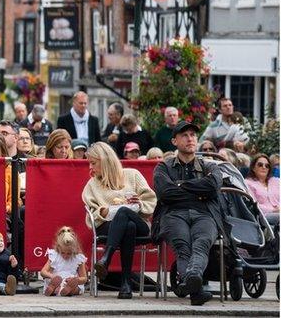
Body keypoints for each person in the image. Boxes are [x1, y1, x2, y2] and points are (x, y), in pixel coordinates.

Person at [153, 121, 224, 306]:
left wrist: (180, 185)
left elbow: (213, 186)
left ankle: (193, 283)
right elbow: (165, 193)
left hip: (205, 214)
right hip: (173, 214)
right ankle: (195, 286)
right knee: (183, 247)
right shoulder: (163, 167)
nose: (190, 138)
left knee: (201, 244)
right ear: (174, 141)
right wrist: (198, 193)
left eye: (193, 135)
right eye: (185, 135)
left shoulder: (210, 166)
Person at [82, 142, 157, 298]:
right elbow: (91, 216)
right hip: (107, 225)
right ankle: (126, 284)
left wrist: (139, 203)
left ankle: (106, 258)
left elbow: (151, 201)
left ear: (105, 160)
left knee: (124, 212)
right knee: (127, 226)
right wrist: (103, 212)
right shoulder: (92, 185)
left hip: (140, 223)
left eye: (93, 163)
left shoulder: (133, 174)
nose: (90, 167)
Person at [39, 226, 88, 296]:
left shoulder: (78, 258)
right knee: (55, 284)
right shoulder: (54, 255)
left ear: (74, 249)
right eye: (62, 253)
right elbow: (43, 272)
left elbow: (84, 278)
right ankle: (54, 288)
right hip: (56, 279)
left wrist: (77, 280)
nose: (65, 256)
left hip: (70, 281)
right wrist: (52, 276)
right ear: (58, 248)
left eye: (69, 253)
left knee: (76, 289)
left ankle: (68, 290)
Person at [245, 153, 279, 224]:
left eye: (267, 166)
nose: (264, 167)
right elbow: (253, 204)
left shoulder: (276, 181)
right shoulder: (248, 183)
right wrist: (273, 210)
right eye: (260, 165)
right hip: (263, 216)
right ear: (253, 168)